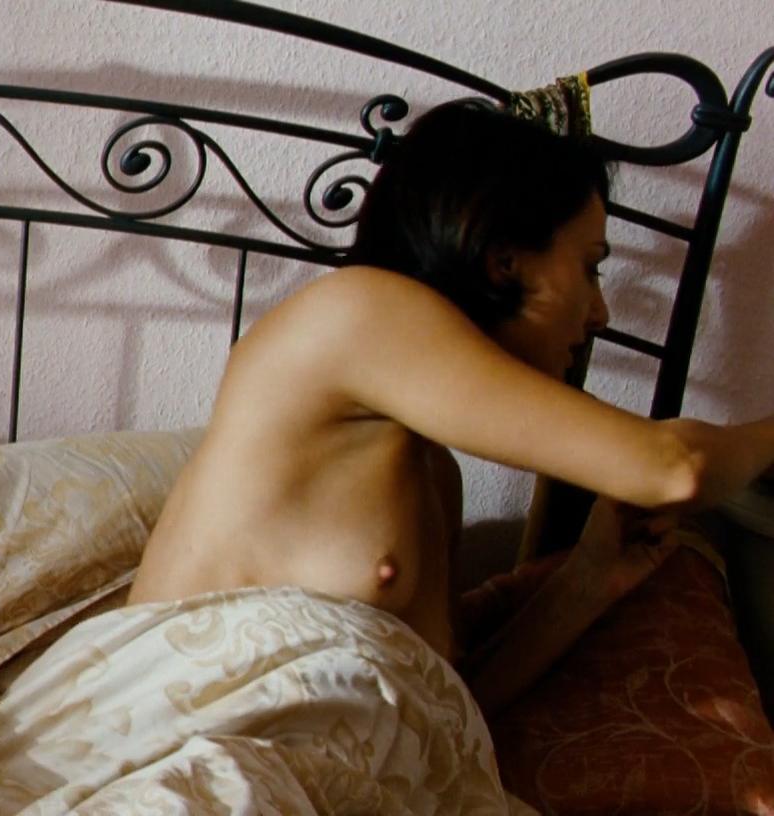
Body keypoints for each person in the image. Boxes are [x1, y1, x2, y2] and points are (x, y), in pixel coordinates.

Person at [123, 100, 774, 714]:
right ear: (503, 262)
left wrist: (588, 579)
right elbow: (674, 467)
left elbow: (450, 705)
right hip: (188, 738)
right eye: (589, 266)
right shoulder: (357, 311)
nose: (599, 312)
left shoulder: (432, 471)